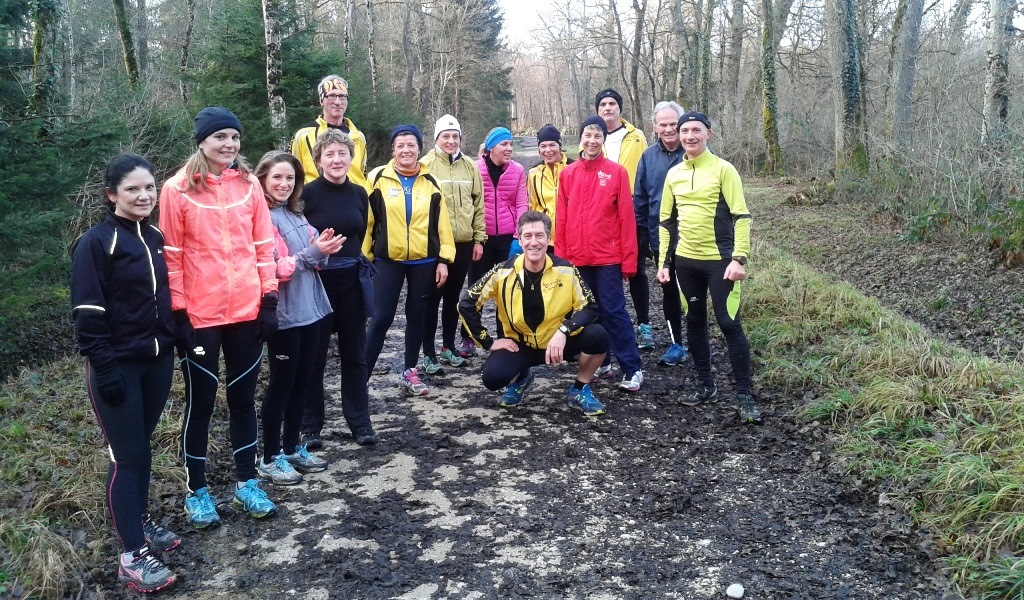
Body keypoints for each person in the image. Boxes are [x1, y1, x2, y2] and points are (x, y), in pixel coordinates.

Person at [159, 107, 279, 527]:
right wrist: (178, 312)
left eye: (234, 137)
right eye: (220, 137)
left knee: (244, 398)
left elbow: (264, 246)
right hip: (201, 314)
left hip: (246, 310)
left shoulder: (248, 186)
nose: (229, 145)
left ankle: (247, 483)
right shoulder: (176, 189)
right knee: (202, 402)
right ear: (202, 142)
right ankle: (198, 490)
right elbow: (170, 258)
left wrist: (269, 300)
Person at [71, 154, 179, 593]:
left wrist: (176, 337)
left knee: (141, 448)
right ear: (111, 194)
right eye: (133, 189)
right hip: (117, 367)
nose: (144, 196)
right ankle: (131, 556)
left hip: (156, 360)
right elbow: (87, 313)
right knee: (127, 456)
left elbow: (165, 296)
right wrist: (105, 366)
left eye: (149, 188)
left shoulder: (153, 236)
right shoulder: (95, 243)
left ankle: (138, 522)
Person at [657, 111, 761, 424]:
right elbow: (666, 221)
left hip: (720, 262)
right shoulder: (674, 174)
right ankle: (706, 385)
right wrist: (663, 263)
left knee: (729, 324)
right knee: (696, 323)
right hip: (686, 263)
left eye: (696, 130)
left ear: (708, 134)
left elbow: (742, 216)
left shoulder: (723, 169)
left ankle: (745, 396)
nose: (689, 136)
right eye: (684, 130)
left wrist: (739, 258)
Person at [459, 211, 609, 416]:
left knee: (598, 335)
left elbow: (590, 306)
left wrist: (564, 331)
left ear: (548, 239)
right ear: (519, 240)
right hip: (519, 346)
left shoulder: (566, 270)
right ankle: (521, 377)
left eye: (540, 235)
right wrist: (488, 342)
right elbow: (467, 302)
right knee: (492, 378)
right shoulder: (502, 271)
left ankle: (580, 388)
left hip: (557, 343)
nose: (534, 242)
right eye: (528, 236)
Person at [254, 151, 343, 486]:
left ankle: (291, 446)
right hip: (285, 313)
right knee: (282, 383)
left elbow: (312, 258)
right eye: (277, 177)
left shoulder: (294, 214)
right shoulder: (261, 218)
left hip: (313, 309)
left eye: (290, 178)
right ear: (262, 178)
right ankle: (269, 457)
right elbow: (275, 268)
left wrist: (324, 248)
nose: (284, 183)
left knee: (303, 380)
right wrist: (313, 252)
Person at [364, 124, 455, 396]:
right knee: (380, 318)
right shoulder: (377, 177)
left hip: (424, 261)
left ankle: (410, 372)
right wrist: (365, 258)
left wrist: (444, 259)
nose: (406, 150)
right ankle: (361, 377)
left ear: (419, 148)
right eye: (400, 145)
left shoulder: (432, 182)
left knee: (418, 317)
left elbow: (443, 226)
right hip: (387, 259)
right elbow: (367, 223)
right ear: (393, 149)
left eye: (411, 145)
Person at [555, 115, 644, 392]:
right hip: (577, 258)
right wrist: (561, 260)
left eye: (597, 136)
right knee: (586, 314)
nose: (592, 141)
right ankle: (600, 362)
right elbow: (561, 219)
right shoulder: (568, 173)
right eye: (587, 136)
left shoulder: (616, 172)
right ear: (579, 139)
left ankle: (632, 368)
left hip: (608, 258)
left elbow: (626, 220)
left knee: (614, 311)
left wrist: (629, 261)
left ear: (603, 140)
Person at [301, 130, 377, 448]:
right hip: (318, 284)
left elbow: (363, 236)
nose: (337, 160)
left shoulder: (360, 193)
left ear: (351, 157)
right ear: (318, 161)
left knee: (354, 356)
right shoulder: (306, 195)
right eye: (329, 154)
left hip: (351, 284)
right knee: (314, 357)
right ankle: (310, 427)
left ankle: (359, 423)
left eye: (342, 153)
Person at [419, 114, 486, 373]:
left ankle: (448, 346)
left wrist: (479, 238)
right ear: (436, 138)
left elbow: (478, 205)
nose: (451, 141)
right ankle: (428, 352)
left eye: (455, 136)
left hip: (464, 243)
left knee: (453, 299)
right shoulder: (425, 165)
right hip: (435, 247)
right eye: (445, 136)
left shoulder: (470, 166)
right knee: (431, 300)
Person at [592, 88, 655, 352]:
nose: (608, 108)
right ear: (597, 110)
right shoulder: (593, 136)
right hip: (602, 213)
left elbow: (646, 171)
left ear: (620, 108)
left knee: (636, 268)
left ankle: (644, 325)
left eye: (612, 104)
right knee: (606, 269)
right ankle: (605, 325)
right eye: (603, 104)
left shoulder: (636, 136)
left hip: (632, 209)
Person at [460, 126, 528, 357]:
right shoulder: (474, 168)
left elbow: (521, 204)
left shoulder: (518, 170)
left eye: (511, 144)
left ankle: (506, 336)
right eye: (504, 144)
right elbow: (469, 203)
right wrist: (474, 237)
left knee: (507, 288)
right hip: (481, 237)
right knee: (476, 287)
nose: (509, 148)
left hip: (508, 238)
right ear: (490, 149)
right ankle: (468, 336)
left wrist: (519, 237)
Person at [634, 101, 688, 367]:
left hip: (695, 238)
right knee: (668, 291)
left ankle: (697, 341)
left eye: (673, 125)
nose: (669, 130)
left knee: (693, 293)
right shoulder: (648, 157)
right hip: (660, 238)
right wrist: (642, 232)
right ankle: (676, 343)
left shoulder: (696, 152)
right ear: (655, 127)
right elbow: (641, 198)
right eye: (663, 125)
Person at [291, 74, 369, 187]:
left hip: (353, 200)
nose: (337, 102)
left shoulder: (358, 136)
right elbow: (293, 173)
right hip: (315, 200)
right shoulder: (304, 135)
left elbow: (363, 173)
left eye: (342, 96)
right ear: (321, 100)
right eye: (331, 96)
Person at [526, 124, 572, 253]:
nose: (548, 150)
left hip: (571, 238)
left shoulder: (574, 168)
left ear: (559, 146)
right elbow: (532, 207)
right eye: (543, 146)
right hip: (545, 239)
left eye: (552, 145)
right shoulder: (533, 173)